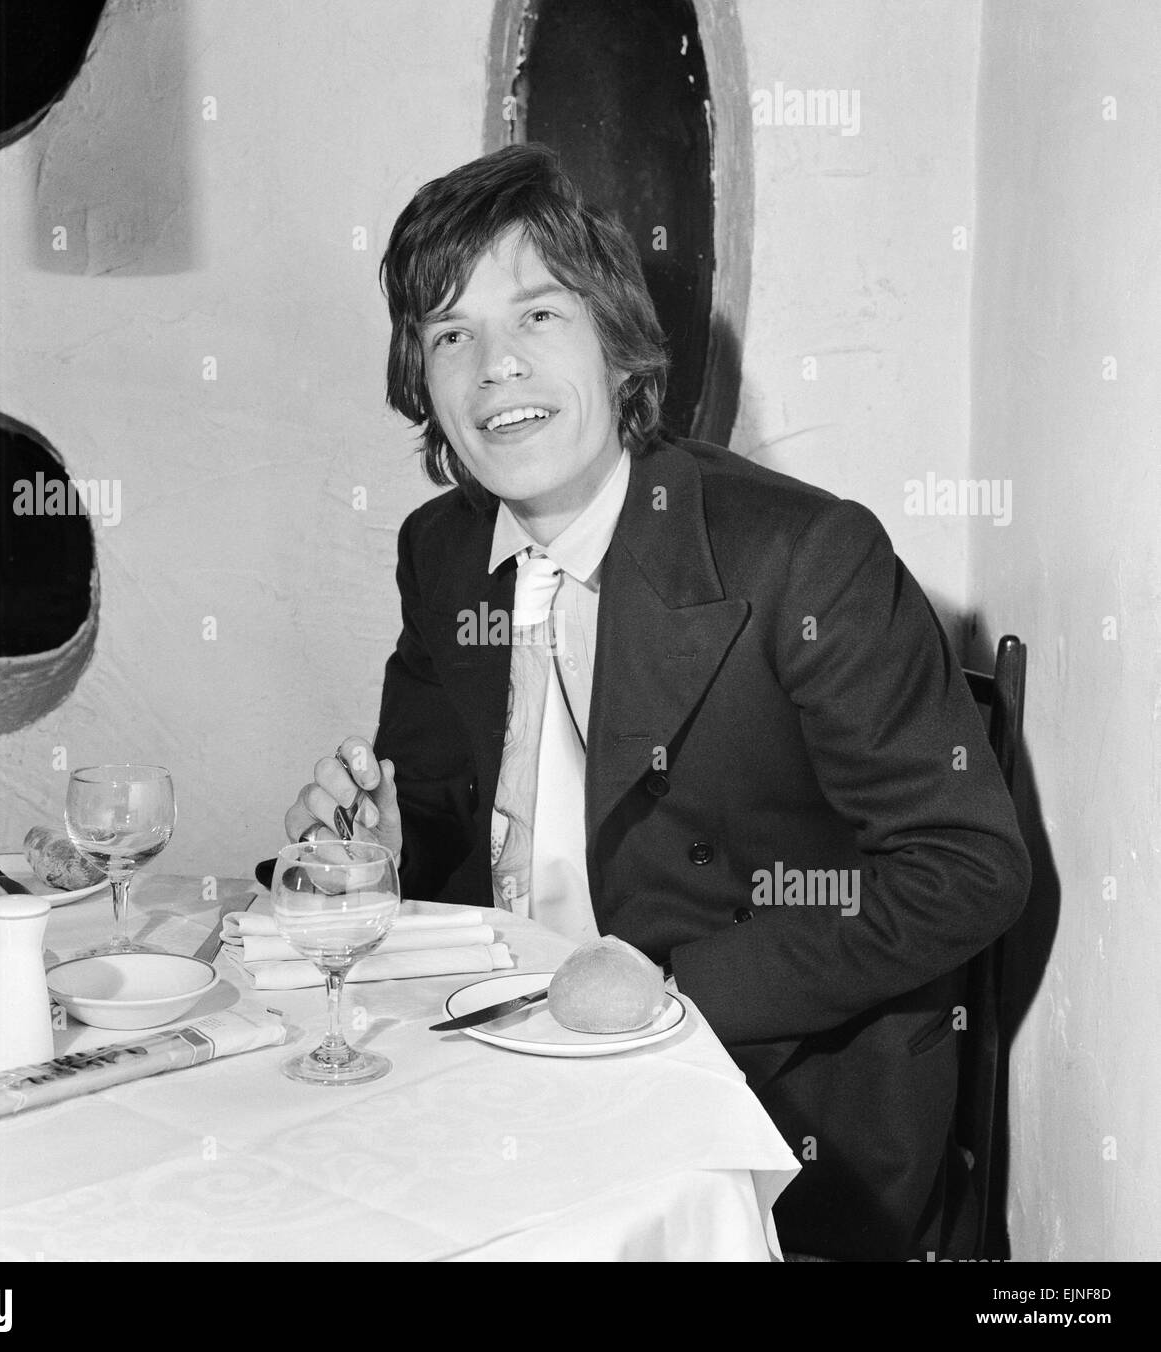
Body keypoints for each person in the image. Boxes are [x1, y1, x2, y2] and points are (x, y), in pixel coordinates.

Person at [283, 144, 1031, 1260]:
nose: (495, 368)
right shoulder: (439, 551)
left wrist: (669, 985)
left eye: (538, 315)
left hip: (770, 1101)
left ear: (615, 340)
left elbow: (966, 867)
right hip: (505, 1064)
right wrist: (384, 846)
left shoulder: (805, 556)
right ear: (422, 381)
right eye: (450, 335)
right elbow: (437, 805)